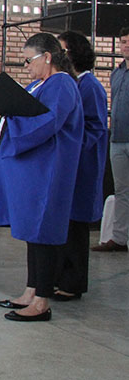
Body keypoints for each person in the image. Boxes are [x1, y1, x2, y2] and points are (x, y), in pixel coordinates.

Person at [0, 33, 83, 322]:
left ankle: (42, 301)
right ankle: (31, 290)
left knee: (44, 231)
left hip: (49, 169)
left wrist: (4, 123)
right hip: (33, 169)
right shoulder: (38, 85)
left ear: (47, 57)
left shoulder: (61, 84)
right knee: (32, 232)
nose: (25, 66)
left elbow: (47, 122)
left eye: (29, 60)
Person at [54, 31, 108, 298]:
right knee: (63, 223)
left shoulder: (90, 86)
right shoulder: (69, 83)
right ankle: (58, 277)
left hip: (81, 164)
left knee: (75, 226)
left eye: (61, 51)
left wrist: (72, 146)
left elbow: (96, 126)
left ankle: (73, 283)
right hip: (67, 162)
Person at [95, 27, 129, 252]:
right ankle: (119, 237)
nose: (126, 45)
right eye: (123, 41)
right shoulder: (117, 73)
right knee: (122, 190)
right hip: (117, 138)